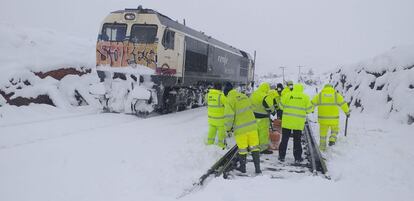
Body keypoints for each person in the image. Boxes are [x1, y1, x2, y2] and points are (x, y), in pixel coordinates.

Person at [223, 82, 261, 174]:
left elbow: (229, 116)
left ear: (226, 93)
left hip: (241, 129)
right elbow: (251, 108)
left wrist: (228, 128)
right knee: (254, 147)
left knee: (243, 149)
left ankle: (243, 168)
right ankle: (258, 169)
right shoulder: (244, 96)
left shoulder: (229, 100)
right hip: (252, 127)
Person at [279, 83, 313, 163]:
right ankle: (297, 158)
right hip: (298, 123)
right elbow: (309, 110)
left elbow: (281, 106)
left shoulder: (287, 95)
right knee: (297, 140)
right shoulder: (305, 97)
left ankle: (281, 156)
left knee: (284, 139)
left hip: (287, 122)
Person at [311, 84, 350, 151]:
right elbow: (343, 104)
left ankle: (322, 148)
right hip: (334, 119)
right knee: (335, 130)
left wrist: (310, 110)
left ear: (324, 88)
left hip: (323, 120)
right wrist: (347, 113)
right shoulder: (336, 95)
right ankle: (332, 139)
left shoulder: (319, 95)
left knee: (322, 135)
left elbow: (312, 103)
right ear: (332, 88)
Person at [250, 82, 275, 154]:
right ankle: (263, 149)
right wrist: (273, 112)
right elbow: (270, 107)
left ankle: (253, 147)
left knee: (254, 133)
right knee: (263, 134)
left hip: (253, 117)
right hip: (263, 118)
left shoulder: (253, 94)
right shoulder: (265, 96)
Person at [206, 83, 227, 148]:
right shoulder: (221, 96)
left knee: (211, 131)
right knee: (221, 133)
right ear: (220, 88)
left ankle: (209, 143)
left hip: (211, 118)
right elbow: (227, 105)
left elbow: (207, 102)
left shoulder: (208, 95)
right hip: (220, 119)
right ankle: (221, 145)